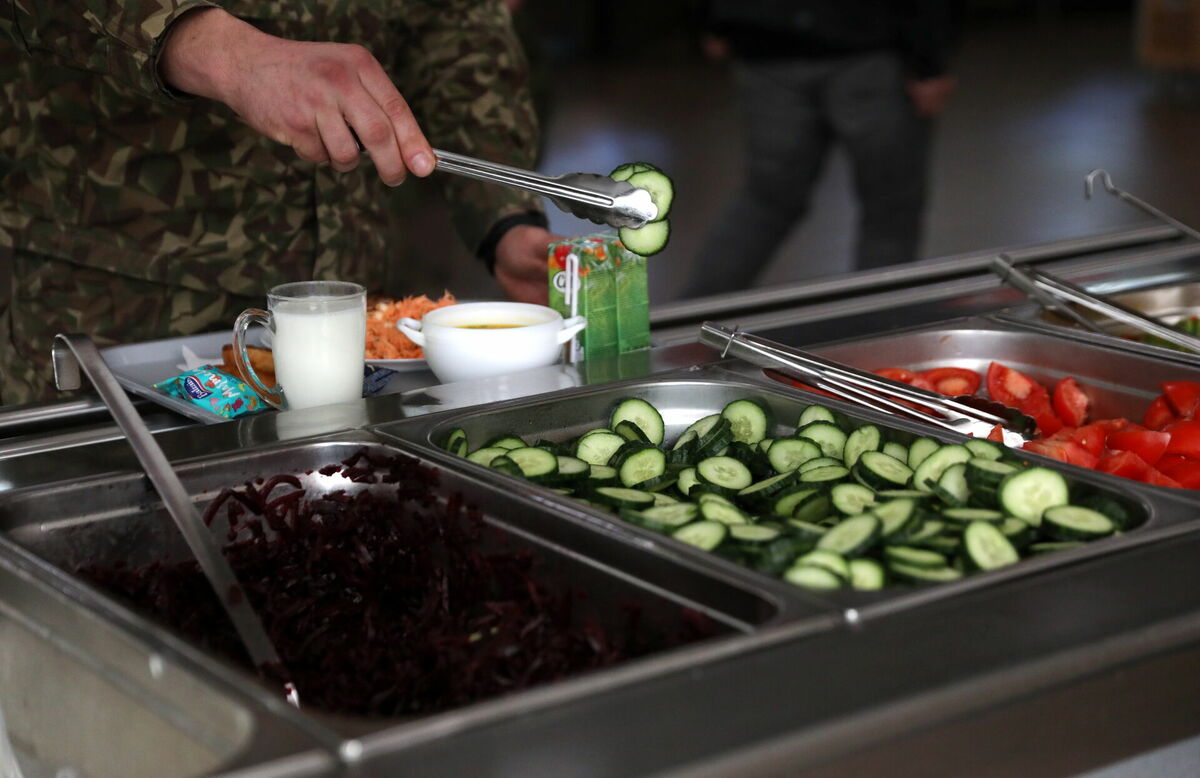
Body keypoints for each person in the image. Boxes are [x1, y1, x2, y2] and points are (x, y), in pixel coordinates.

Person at [0, 0, 554, 405]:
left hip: (346, 300)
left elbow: (454, 27)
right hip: (117, 294)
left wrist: (502, 215)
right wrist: (224, 52)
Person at [683, 0, 960, 299]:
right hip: (865, 44)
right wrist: (930, 59)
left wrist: (713, 19)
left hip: (769, 36)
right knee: (889, 210)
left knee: (766, 202)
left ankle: (689, 326)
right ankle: (878, 327)